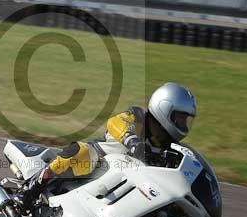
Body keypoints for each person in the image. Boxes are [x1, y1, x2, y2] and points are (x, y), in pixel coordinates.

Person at [17, 82, 197, 209]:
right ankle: (30, 189)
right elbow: (115, 122)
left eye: (186, 120)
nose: (183, 124)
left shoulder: (170, 149)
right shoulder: (139, 118)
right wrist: (132, 141)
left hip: (120, 189)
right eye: (180, 118)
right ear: (164, 108)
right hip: (100, 163)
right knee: (85, 153)